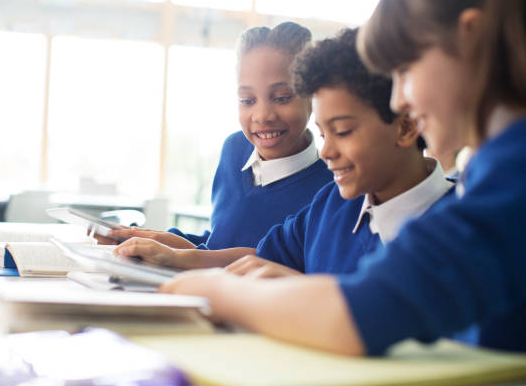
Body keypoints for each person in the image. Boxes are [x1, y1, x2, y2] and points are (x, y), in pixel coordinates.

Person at [159, 0, 526, 356]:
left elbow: (359, 315)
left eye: (405, 69)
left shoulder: (513, 176)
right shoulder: (489, 173)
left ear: (470, 38)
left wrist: (217, 292)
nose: (399, 98)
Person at [117, 28, 454, 276]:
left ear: (407, 126)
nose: (326, 152)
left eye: (343, 132)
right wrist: (173, 257)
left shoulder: (460, 223)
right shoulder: (331, 204)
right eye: (323, 133)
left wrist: (301, 288)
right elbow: (255, 257)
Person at [101, 22, 332, 263]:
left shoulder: (330, 188)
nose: (263, 115)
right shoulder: (235, 151)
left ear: (312, 96)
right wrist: (145, 239)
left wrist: (177, 257)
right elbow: (218, 245)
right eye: (247, 100)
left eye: (282, 97)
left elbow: (270, 263)